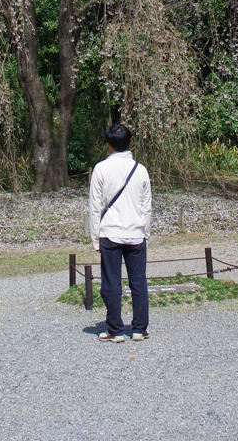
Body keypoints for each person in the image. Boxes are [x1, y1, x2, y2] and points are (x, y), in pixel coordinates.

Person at [88, 123, 152, 342]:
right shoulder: (141, 170)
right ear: (130, 142)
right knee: (138, 282)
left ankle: (115, 329)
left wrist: (94, 238)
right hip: (136, 232)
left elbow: (95, 207)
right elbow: (146, 207)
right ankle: (139, 328)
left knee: (111, 282)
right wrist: (146, 233)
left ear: (108, 145)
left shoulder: (101, 169)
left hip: (110, 233)